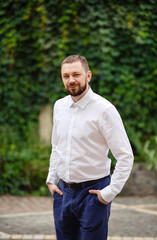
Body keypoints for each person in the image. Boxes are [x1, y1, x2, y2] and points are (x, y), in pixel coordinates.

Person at [46, 55, 134, 240]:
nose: (71, 80)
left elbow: (125, 156)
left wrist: (108, 194)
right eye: (66, 76)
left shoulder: (105, 110)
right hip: (63, 194)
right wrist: (51, 180)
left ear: (88, 76)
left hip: (93, 195)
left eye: (76, 74)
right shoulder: (59, 106)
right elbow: (56, 146)